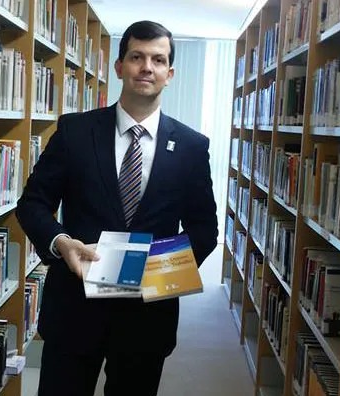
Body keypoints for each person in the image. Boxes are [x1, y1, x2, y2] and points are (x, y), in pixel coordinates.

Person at [16, 20, 218, 396]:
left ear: (169, 74)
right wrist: (61, 241)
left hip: (147, 316)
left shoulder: (192, 146)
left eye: (158, 60)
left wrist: (157, 272)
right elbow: (33, 204)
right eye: (137, 56)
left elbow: (204, 229)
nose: (147, 67)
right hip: (75, 308)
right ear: (119, 66)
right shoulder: (75, 131)